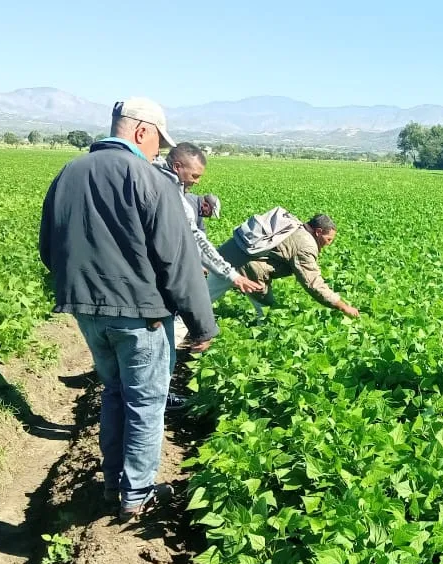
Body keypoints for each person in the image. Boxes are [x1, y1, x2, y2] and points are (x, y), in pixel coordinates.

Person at [38, 97, 218, 521]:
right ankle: (136, 494)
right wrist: (201, 325)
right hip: (141, 314)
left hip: (86, 311)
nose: (158, 152)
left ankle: (113, 482)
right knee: (146, 402)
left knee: (115, 391)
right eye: (157, 142)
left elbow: (50, 248)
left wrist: (83, 290)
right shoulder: (149, 179)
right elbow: (178, 261)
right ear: (141, 132)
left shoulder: (69, 172)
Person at [152, 143, 261, 409]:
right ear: (177, 167)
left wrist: (232, 275)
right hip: (150, 290)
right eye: (195, 175)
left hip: (113, 287)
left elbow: (196, 240)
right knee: (157, 353)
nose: (196, 181)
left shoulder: (152, 180)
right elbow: (195, 242)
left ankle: (145, 400)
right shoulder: (168, 193)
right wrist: (230, 275)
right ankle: (155, 401)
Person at [209, 210, 359, 319]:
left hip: (234, 259)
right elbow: (313, 283)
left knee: (202, 296)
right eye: (328, 239)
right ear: (318, 232)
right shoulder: (306, 244)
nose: (329, 244)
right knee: (268, 313)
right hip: (247, 269)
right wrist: (342, 306)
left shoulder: (295, 226)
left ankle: (189, 318)